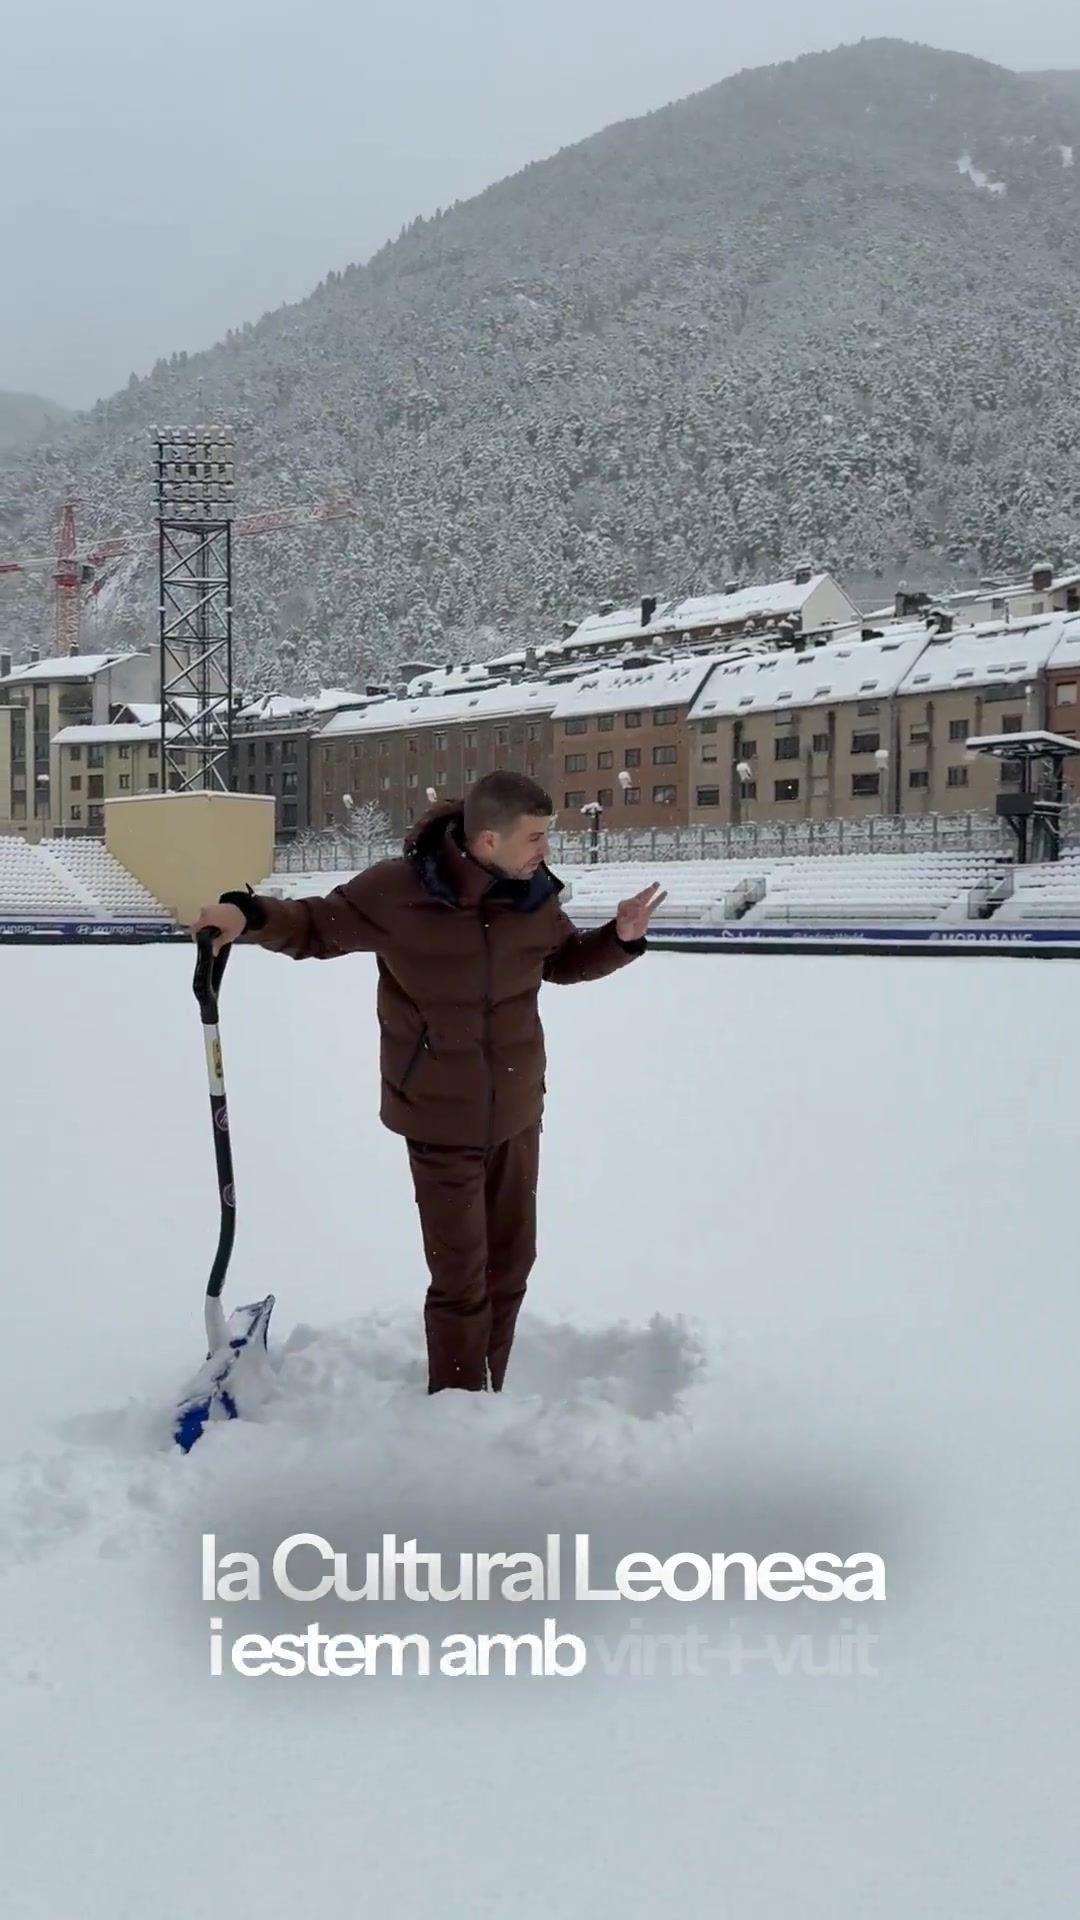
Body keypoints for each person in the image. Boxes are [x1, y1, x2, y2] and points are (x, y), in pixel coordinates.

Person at [191, 772, 666, 1394]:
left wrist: (619, 939)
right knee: (462, 1278)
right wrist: (245, 914)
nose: (546, 849)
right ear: (489, 838)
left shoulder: (531, 896)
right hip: (440, 1117)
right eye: (537, 837)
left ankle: (490, 1386)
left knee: (512, 1264)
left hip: (519, 1111)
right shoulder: (401, 891)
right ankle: (459, 1405)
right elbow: (314, 925)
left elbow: (561, 962)